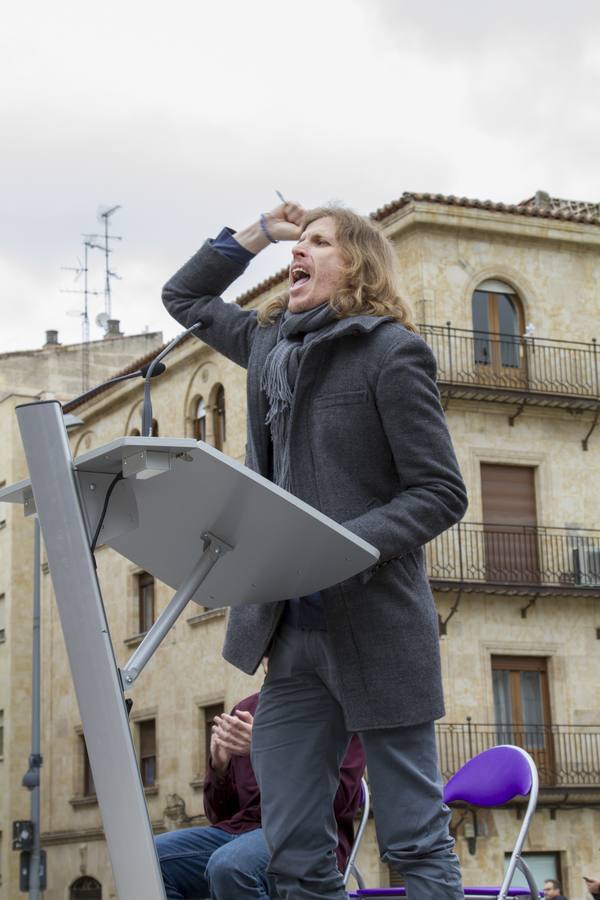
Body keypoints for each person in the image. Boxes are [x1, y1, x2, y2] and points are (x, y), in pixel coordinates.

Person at [162, 200, 469, 899]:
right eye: (295, 242)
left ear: (356, 263)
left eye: (317, 241)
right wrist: (258, 233)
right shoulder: (269, 346)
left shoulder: (392, 353)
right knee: (295, 856)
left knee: (415, 841)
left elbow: (441, 492)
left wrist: (339, 547)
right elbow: (184, 296)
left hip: (378, 633)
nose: (297, 252)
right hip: (290, 640)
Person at [156, 692, 365, 899]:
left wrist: (264, 750)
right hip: (240, 832)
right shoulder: (245, 709)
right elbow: (218, 817)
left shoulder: (337, 710)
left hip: (305, 835)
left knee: (230, 866)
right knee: (149, 857)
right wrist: (220, 770)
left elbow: (336, 801)